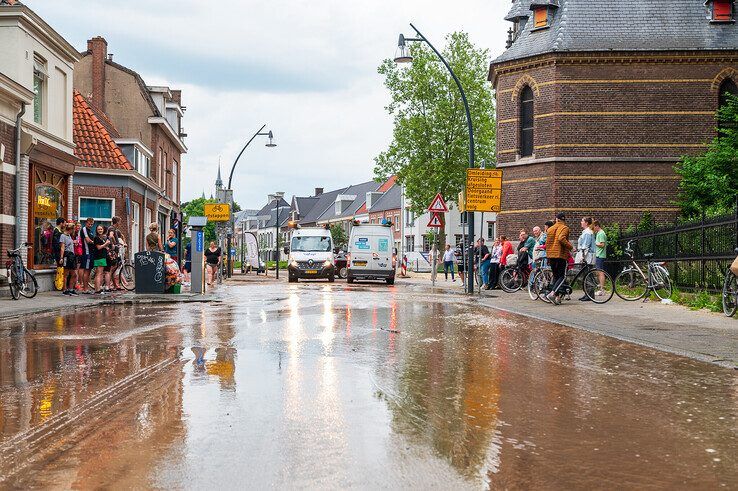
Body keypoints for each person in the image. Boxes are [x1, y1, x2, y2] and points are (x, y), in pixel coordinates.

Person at [545, 213, 573, 304]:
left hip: (551, 255)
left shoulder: (550, 229)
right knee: (562, 276)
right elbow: (561, 238)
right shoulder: (565, 228)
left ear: (556, 219)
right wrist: (570, 247)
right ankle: (552, 294)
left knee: (556, 276)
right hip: (560, 255)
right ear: (563, 220)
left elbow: (548, 242)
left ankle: (556, 297)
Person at [576, 217, 595, 301]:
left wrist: (582, 257)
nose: (581, 222)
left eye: (582, 221)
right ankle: (587, 293)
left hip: (587, 258)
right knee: (586, 275)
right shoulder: (586, 232)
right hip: (587, 257)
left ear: (586, 223)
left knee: (588, 275)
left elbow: (585, 246)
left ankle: (590, 295)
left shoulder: (587, 233)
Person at [58, 223, 78, 296]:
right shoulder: (63, 236)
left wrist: (73, 242)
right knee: (66, 274)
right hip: (67, 255)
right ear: (71, 229)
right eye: (73, 229)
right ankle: (65, 289)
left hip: (72, 255)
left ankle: (71, 289)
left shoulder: (69, 236)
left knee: (74, 274)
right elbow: (62, 247)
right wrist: (61, 257)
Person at [93, 225, 111, 294]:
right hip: (99, 257)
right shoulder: (97, 238)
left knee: (100, 273)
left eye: (101, 229)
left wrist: (106, 247)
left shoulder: (101, 238)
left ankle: (98, 288)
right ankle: (97, 289)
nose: (100, 230)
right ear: (96, 230)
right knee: (99, 273)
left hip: (102, 256)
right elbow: (98, 247)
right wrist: (105, 244)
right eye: (98, 229)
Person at [79, 217, 95, 294]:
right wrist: (95, 242)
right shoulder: (84, 229)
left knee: (88, 271)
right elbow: (88, 240)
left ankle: (86, 287)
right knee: (86, 270)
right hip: (87, 252)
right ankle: (85, 289)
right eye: (89, 224)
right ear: (86, 223)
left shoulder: (90, 231)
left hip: (91, 253)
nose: (90, 225)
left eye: (92, 224)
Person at [593, 220, 608, 296]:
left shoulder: (601, 233)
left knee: (601, 272)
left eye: (594, 227)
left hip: (600, 255)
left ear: (597, 226)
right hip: (599, 255)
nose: (593, 229)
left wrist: (595, 243)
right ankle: (601, 288)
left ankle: (602, 289)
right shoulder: (599, 233)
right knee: (598, 272)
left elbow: (602, 245)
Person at [73, 222, 84, 292]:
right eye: (77, 226)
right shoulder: (74, 234)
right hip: (75, 252)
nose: (79, 227)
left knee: (79, 268)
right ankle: (76, 283)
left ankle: (79, 283)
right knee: (76, 269)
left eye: (80, 226)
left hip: (79, 252)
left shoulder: (78, 234)